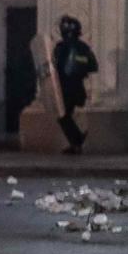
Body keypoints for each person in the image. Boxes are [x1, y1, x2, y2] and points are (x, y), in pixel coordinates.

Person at [53, 16, 99, 154]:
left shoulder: (60, 47)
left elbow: (54, 66)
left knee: (62, 115)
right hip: (78, 87)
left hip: (64, 87)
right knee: (66, 114)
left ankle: (77, 140)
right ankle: (75, 142)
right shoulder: (84, 47)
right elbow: (93, 66)